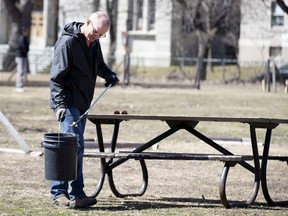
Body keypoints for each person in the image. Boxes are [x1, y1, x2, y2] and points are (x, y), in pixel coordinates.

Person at [49, 11, 119, 208]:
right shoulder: (68, 43)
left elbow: (98, 66)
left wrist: (109, 75)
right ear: (87, 22)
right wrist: (60, 105)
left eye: (100, 35)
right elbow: (56, 78)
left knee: (73, 147)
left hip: (82, 103)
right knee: (72, 146)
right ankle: (62, 193)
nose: (96, 37)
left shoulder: (94, 43)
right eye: (95, 32)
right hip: (68, 101)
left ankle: (72, 193)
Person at [15, 28, 30, 92]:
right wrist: (26, 51)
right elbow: (24, 47)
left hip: (23, 56)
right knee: (20, 71)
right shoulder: (22, 38)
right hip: (20, 56)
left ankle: (21, 85)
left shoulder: (25, 38)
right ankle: (19, 85)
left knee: (23, 71)